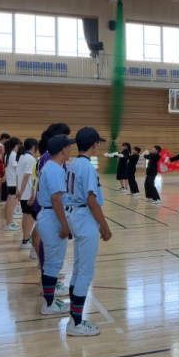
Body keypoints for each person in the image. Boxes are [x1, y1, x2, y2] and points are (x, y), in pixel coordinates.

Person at [65, 127, 112, 336]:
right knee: (85, 270)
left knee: (78, 269)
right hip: (85, 217)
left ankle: (73, 318)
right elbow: (91, 200)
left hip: (76, 215)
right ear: (94, 144)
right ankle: (75, 323)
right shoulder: (87, 167)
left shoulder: (73, 163)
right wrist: (105, 226)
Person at [37, 134, 75, 316]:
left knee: (52, 263)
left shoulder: (51, 166)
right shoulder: (55, 169)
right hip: (52, 218)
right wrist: (64, 225)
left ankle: (49, 300)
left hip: (49, 216)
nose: (71, 149)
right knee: (53, 264)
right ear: (63, 150)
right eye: (69, 146)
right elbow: (56, 199)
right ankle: (48, 304)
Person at [16, 138, 39, 249]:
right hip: (28, 193)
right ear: (34, 146)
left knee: (26, 215)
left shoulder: (22, 157)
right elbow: (26, 176)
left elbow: (18, 175)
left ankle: (25, 239)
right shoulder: (31, 159)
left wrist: (18, 190)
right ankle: (25, 240)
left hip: (23, 192)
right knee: (29, 216)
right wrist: (21, 191)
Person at [3, 137, 22, 232]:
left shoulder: (8, 154)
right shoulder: (14, 155)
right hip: (14, 183)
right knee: (12, 205)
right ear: (16, 145)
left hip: (10, 183)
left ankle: (7, 221)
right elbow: (17, 170)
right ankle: (8, 224)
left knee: (9, 203)